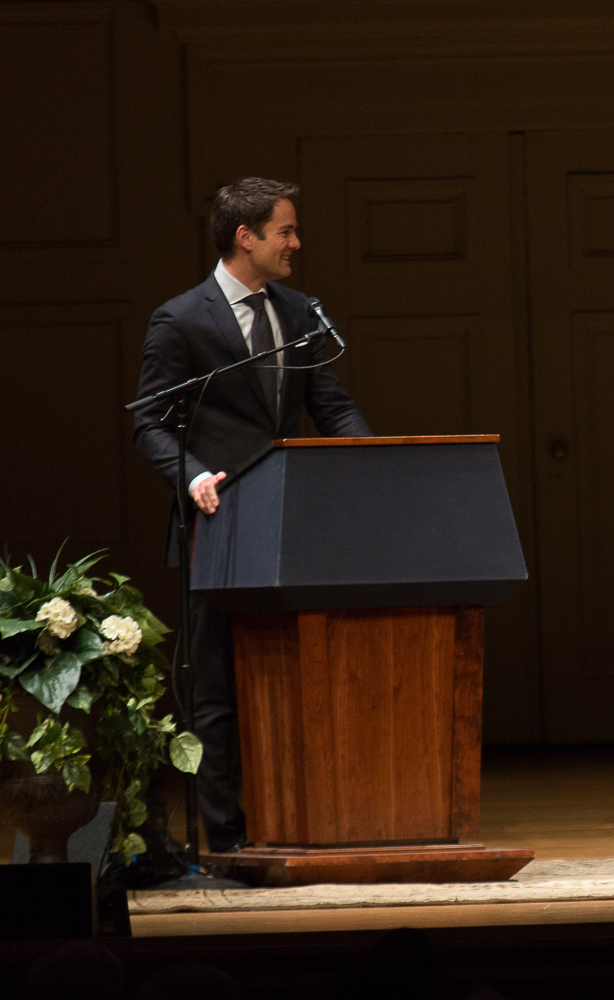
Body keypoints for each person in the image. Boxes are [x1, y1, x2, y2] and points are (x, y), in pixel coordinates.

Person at [133, 177, 371, 852]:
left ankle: (300, 819)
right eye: (286, 231)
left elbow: (332, 404)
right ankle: (228, 836)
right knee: (216, 689)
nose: (297, 243)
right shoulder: (180, 319)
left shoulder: (299, 313)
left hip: (294, 525)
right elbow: (149, 422)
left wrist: (371, 460)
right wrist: (190, 475)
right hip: (222, 521)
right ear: (246, 237)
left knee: (301, 678)